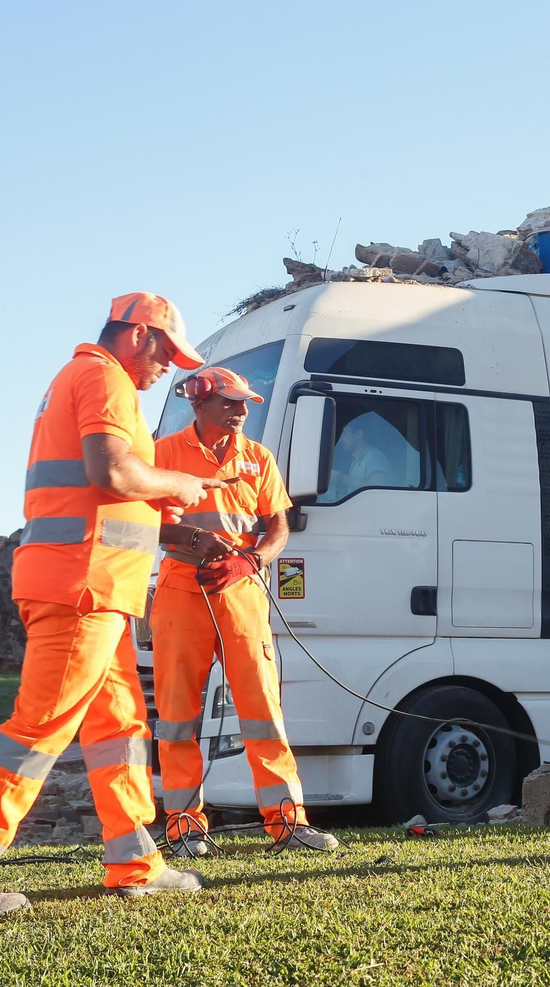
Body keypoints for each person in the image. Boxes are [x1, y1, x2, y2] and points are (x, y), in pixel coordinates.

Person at [0, 292, 222, 915]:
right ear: (139, 336)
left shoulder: (80, 377)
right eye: (167, 354)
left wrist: (177, 526)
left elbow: (102, 494)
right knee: (39, 729)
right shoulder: (105, 378)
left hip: (90, 585)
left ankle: (136, 862)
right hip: (84, 586)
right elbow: (110, 471)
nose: (169, 369)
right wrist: (178, 483)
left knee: (120, 729)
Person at [149, 366, 339, 855]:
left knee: (262, 709)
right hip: (180, 587)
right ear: (199, 403)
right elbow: (137, 522)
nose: (240, 411)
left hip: (242, 588)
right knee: (176, 717)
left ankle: (288, 823)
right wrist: (193, 539)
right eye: (230, 403)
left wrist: (248, 560)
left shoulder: (258, 457)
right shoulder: (162, 454)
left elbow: (279, 528)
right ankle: (184, 829)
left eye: (244, 403)